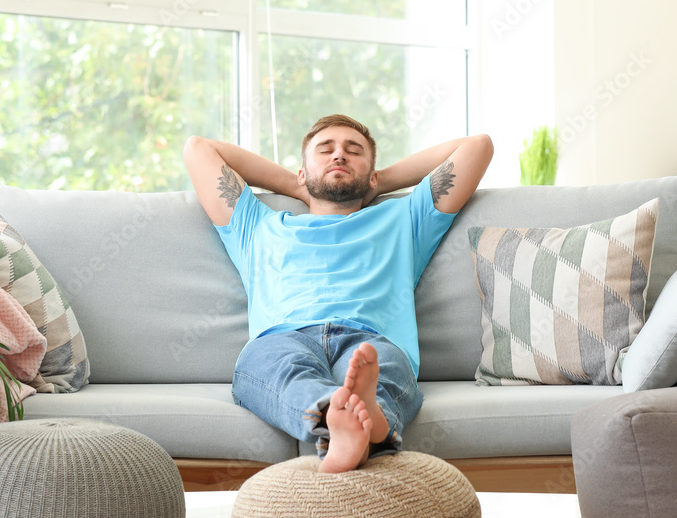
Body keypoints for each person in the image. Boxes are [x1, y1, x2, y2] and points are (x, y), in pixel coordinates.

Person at [184, 114, 492, 473]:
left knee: (383, 367)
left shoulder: (405, 218)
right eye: (325, 150)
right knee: (272, 366)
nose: (339, 156)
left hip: (372, 339)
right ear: (302, 172)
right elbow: (198, 149)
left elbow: (477, 146)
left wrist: (377, 183)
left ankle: (357, 419)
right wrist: (294, 184)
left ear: (373, 174)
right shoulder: (257, 226)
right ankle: (349, 420)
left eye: (353, 151)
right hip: (284, 338)